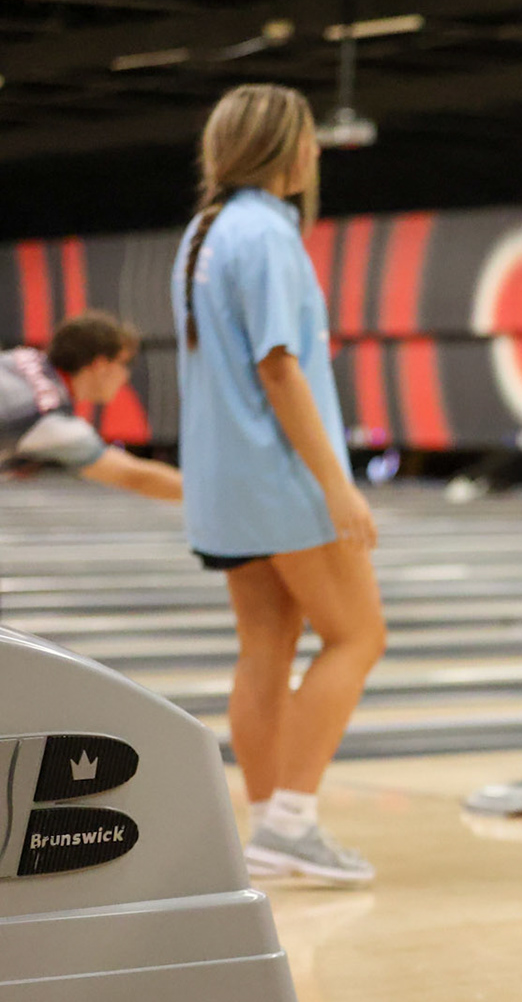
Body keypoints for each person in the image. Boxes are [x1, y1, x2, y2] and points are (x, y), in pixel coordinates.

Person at [172, 83, 385, 887]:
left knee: (266, 646)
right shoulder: (268, 232)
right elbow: (279, 367)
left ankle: (266, 826)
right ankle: (291, 824)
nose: (317, 150)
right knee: (359, 636)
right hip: (282, 480)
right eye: (309, 137)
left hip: (226, 486)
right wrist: (338, 485)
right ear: (282, 148)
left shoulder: (206, 230)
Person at [1, 311, 181, 501]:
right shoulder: (53, 422)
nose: (126, 376)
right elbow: (135, 476)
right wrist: (200, 494)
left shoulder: (22, 355)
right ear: (101, 365)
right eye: (125, 364)